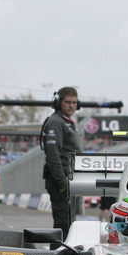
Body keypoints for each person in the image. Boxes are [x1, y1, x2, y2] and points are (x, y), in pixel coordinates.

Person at [40, 86, 81, 238]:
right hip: (61, 182)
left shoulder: (67, 122)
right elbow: (53, 155)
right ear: (59, 103)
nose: (71, 106)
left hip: (70, 180)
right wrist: (63, 183)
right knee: (63, 225)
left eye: (74, 102)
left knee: (70, 225)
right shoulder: (56, 122)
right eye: (67, 102)